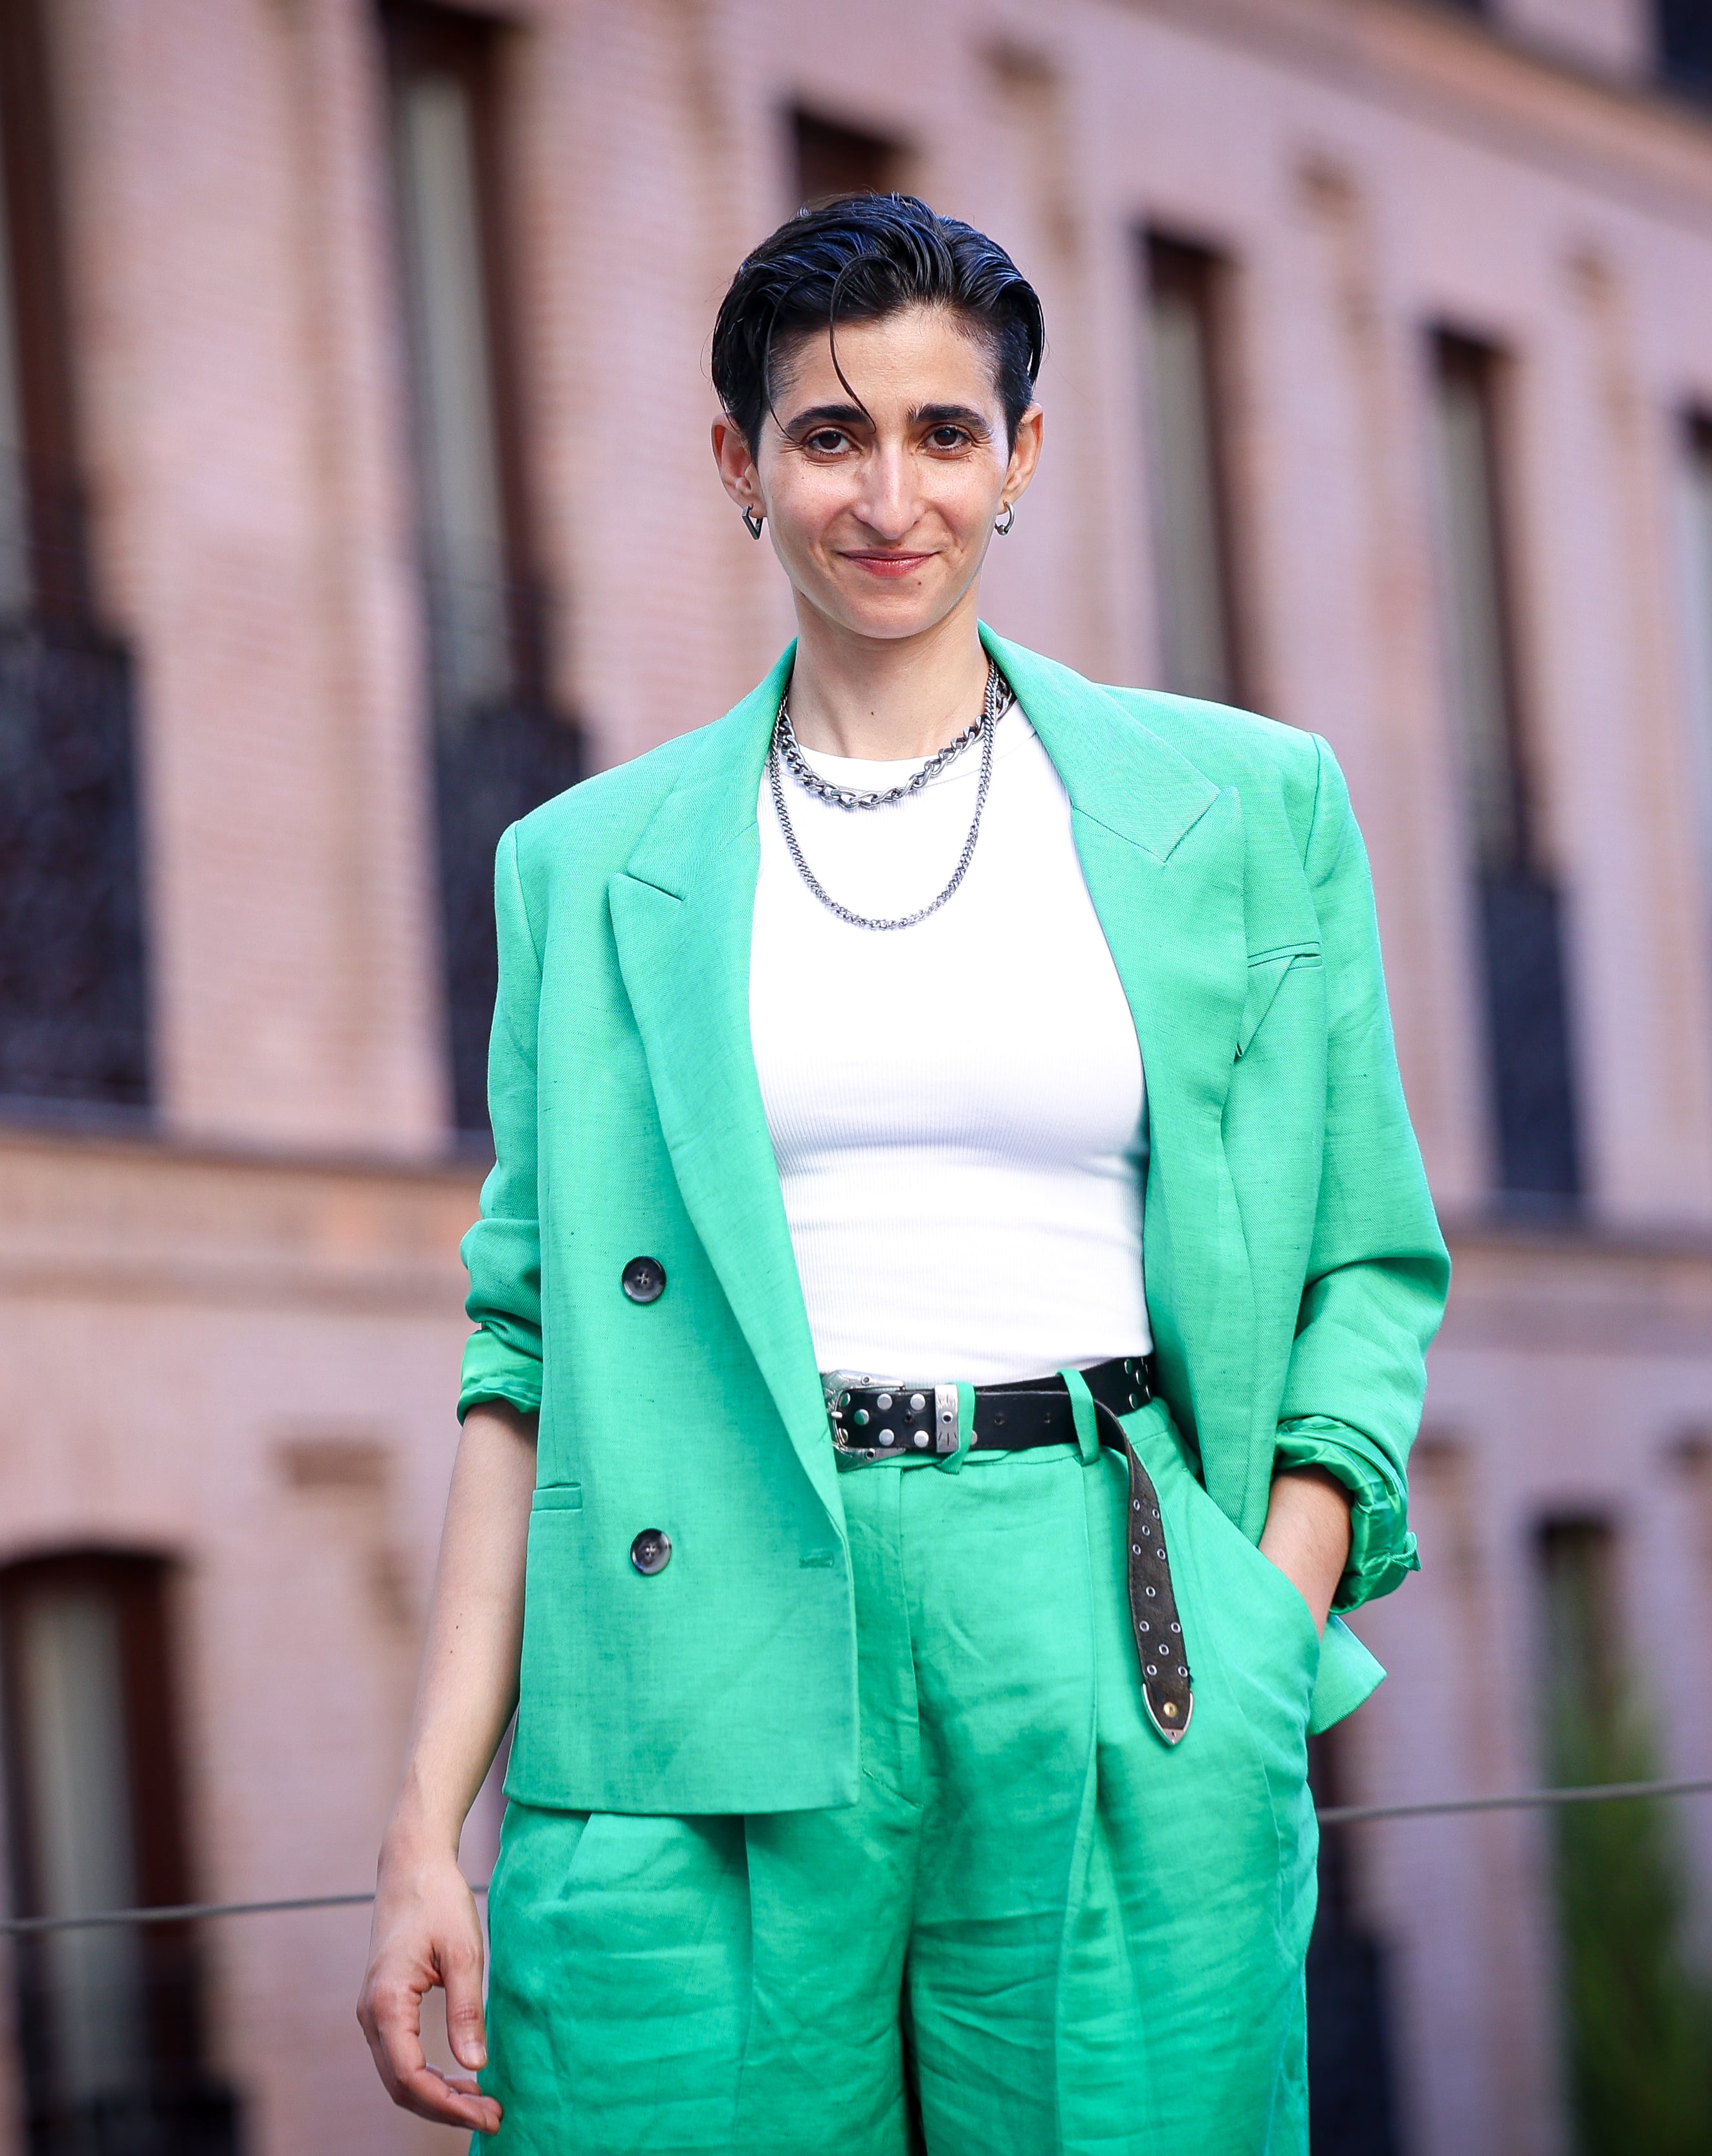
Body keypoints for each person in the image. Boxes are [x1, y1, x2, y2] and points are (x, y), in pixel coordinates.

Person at [355, 193, 1446, 2154]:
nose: (889, 495)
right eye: (829, 434)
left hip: (1124, 1623)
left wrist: (1269, 1619)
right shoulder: (582, 872)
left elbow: (1365, 1266)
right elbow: (523, 1364)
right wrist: (426, 1820)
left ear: (1022, 456)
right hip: (703, 1633)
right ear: (739, 463)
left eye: (945, 434)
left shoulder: (1246, 811)